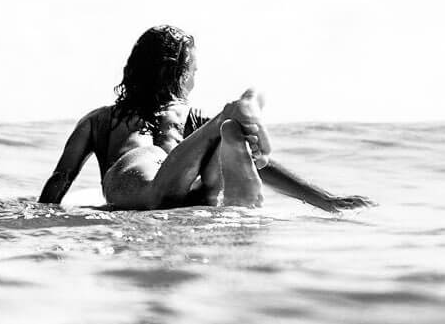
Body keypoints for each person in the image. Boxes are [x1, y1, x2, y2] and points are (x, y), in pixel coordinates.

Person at [38, 25, 373, 211]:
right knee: (220, 146)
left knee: (167, 183)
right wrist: (324, 200)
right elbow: (261, 164)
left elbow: (60, 179)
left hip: (144, 189)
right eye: (193, 71)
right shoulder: (189, 121)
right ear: (178, 74)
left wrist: (38, 219)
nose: (196, 79)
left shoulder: (102, 121)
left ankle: (229, 123)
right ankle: (230, 125)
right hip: (174, 188)